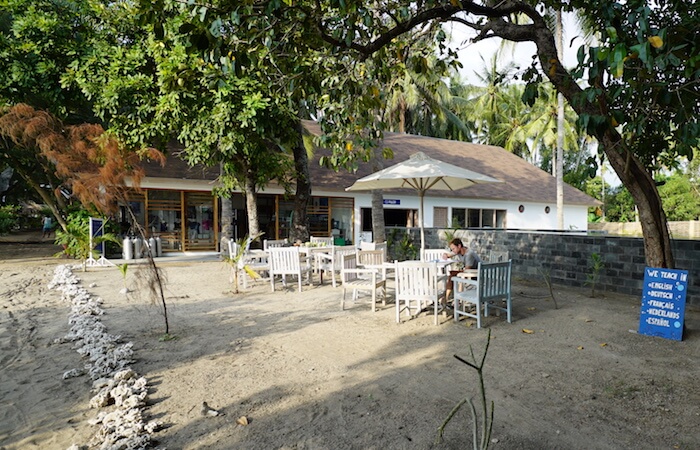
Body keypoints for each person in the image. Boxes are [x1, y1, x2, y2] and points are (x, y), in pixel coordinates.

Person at [442, 238, 482, 304]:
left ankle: (455, 300)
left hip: (476, 275)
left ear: (459, 246)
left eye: (453, 249)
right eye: (452, 249)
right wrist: (445, 255)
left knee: (453, 275)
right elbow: (449, 255)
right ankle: (448, 298)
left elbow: (467, 270)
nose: (453, 251)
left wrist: (459, 272)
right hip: (470, 273)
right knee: (452, 274)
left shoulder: (469, 254)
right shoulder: (459, 251)